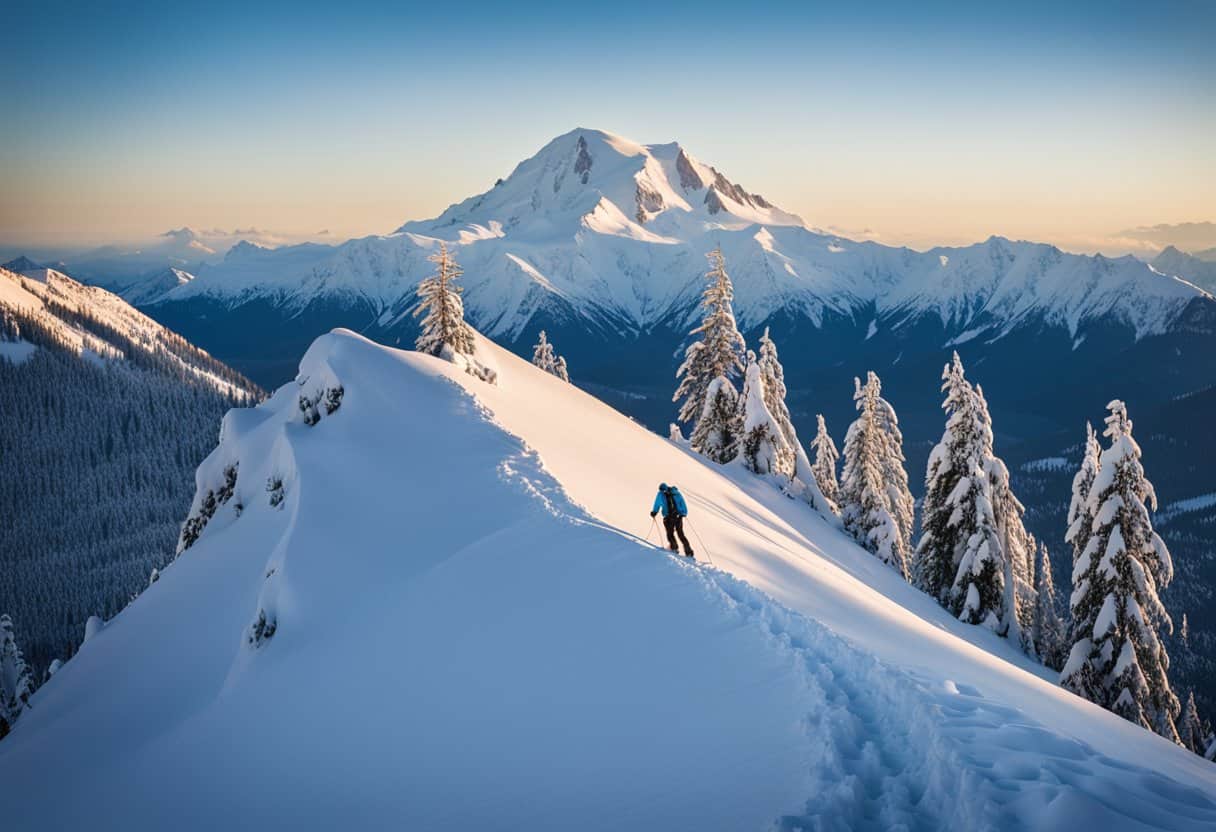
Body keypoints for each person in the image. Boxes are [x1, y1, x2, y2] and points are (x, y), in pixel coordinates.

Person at [650, 483, 694, 557]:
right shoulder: (676, 493)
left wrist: (654, 512)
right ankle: (688, 551)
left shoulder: (661, 494)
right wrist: (684, 513)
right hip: (678, 516)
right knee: (681, 534)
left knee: (670, 533)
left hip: (668, 517)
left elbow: (657, 504)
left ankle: (674, 548)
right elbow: (683, 503)